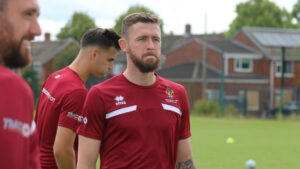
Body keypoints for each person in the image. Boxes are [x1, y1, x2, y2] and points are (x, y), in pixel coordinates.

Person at [77, 13, 196, 169]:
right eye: (142, 39)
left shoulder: (177, 94)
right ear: (124, 45)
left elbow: (184, 160)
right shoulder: (100, 95)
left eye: (156, 39)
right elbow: (85, 164)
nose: (151, 46)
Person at [35, 28, 120, 169]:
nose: (111, 67)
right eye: (110, 60)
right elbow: (62, 151)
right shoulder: (77, 92)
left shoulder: (55, 77)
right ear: (94, 54)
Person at [0, 0, 42, 168]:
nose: (37, 30)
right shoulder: (11, 87)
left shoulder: (18, 90)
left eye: (37, 16)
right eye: (27, 14)